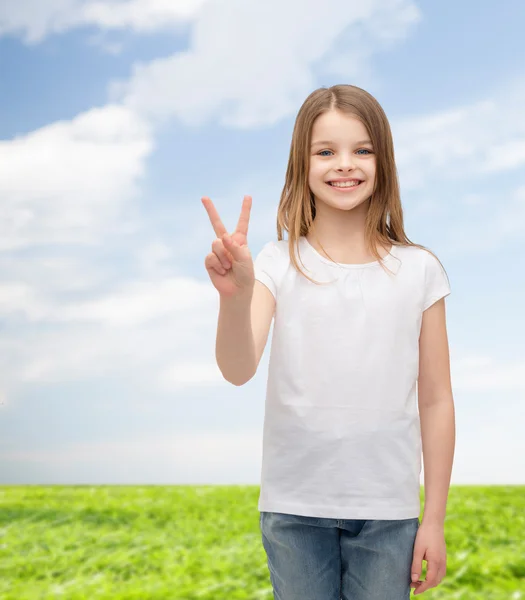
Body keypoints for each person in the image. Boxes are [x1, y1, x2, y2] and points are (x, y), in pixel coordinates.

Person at [202, 84, 454, 599]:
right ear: (303, 162)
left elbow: (436, 398)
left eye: (363, 150)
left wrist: (434, 520)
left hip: (389, 514)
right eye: (326, 152)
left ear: (384, 161)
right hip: (294, 509)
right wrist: (236, 296)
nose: (346, 165)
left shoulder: (420, 269)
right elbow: (237, 367)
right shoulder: (275, 262)